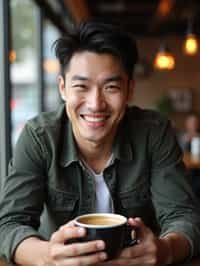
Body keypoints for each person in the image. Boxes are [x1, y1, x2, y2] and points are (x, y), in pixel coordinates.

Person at [0, 20, 200, 266]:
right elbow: (9, 223)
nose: (95, 104)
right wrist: (47, 257)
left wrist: (165, 251)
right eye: (81, 86)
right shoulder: (39, 137)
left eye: (111, 87)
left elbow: (184, 216)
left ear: (129, 90)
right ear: (63, 88)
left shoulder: (153, 132)